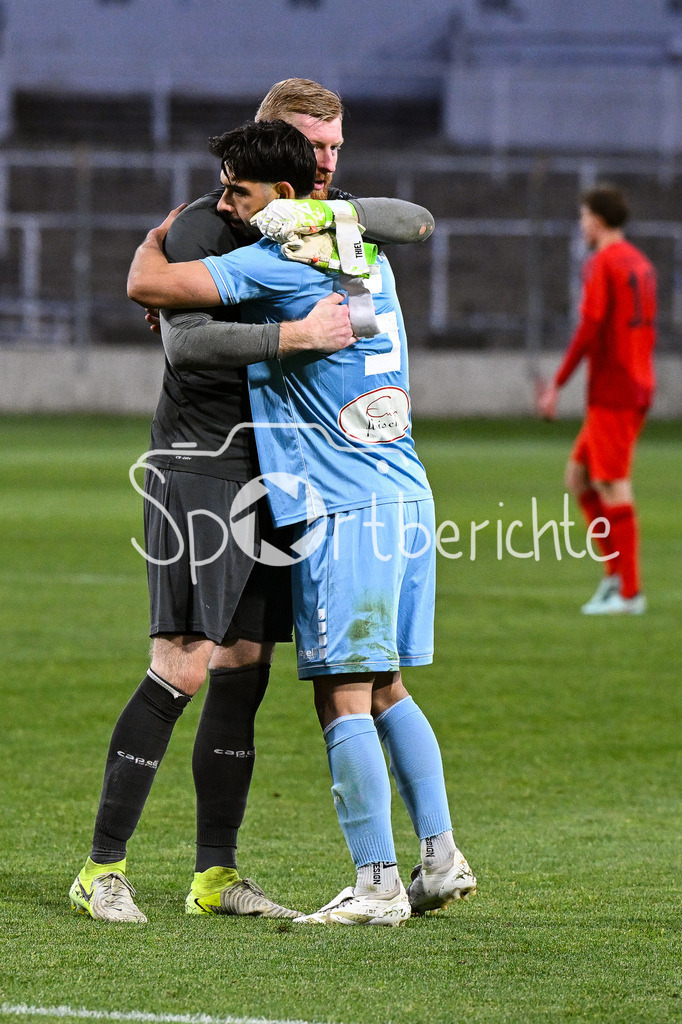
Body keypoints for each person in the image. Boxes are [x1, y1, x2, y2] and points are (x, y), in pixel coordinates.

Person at [69, 79, 436, 924]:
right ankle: (103, 869)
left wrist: (323, 217)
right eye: (316, 148)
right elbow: (185, 336)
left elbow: (413, 221)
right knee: (184, 661)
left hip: (288, 475)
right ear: (275, 144)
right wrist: (294, 335)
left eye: (337, 149)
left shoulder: (324, 218)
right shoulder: (208, 222)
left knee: (243, 672)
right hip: (203, 465)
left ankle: (213, 875)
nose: (329, 163)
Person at [537, 184, 656, 615]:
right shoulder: (640, 263)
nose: (581, 223)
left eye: (584, 216)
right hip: (637, 382)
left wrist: (557, 383)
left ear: (599, 220)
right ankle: (615, 579)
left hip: (615, 389)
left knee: (611, 484)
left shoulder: (603, 262)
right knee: (579, 478)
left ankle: (630, 592)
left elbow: (590, 326)